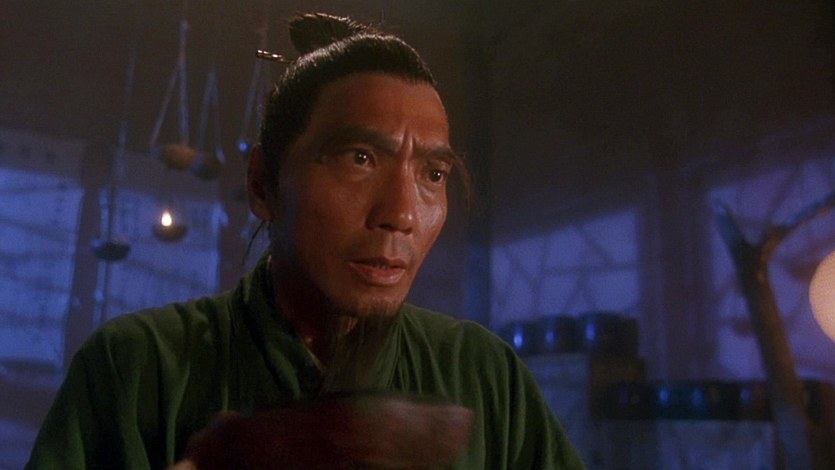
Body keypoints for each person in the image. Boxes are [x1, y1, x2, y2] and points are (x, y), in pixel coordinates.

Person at [26, 12, 586, 470]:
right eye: (359, 158)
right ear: (262, 185)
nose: (401, 215)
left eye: (433, 174)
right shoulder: (137, 365)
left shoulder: (482, 373)